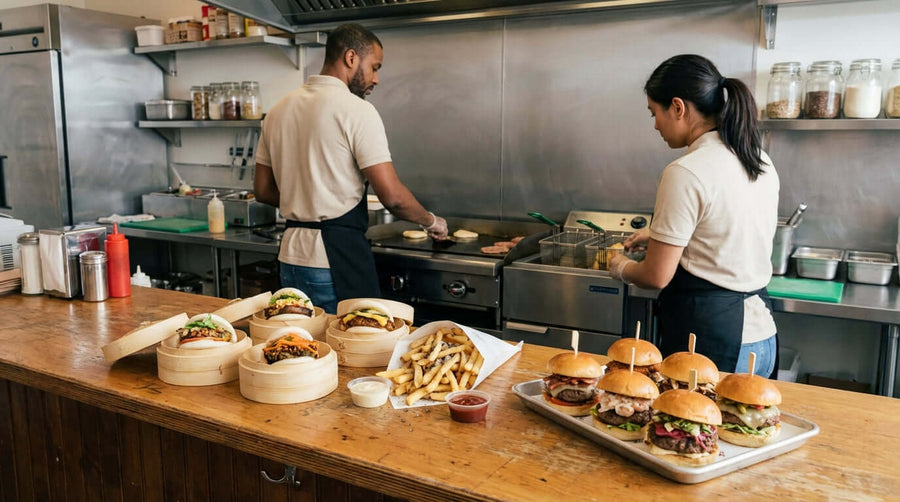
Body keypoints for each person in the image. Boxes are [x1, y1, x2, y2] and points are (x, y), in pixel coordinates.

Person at [254, 23, 448, 314]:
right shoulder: (357, 110)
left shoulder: (278, 110)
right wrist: (431, 221)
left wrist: (306, 201)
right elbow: (392, 197)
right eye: (374, 67)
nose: (376, 79)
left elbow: (263, 190)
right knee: (351, 349)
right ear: (350, 58)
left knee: (302, 349)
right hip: (335, 259)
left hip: (290, 258)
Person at [608, 54, 780, 378]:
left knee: (687, 426)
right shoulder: (758, 158)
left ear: (678, 107)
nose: (655, 124)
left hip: (712, 342)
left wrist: (620, 267)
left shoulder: (685, 171)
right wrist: (659, 236)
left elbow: (656, 276)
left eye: (654, 113)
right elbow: (727, 230)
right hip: (762, 337)